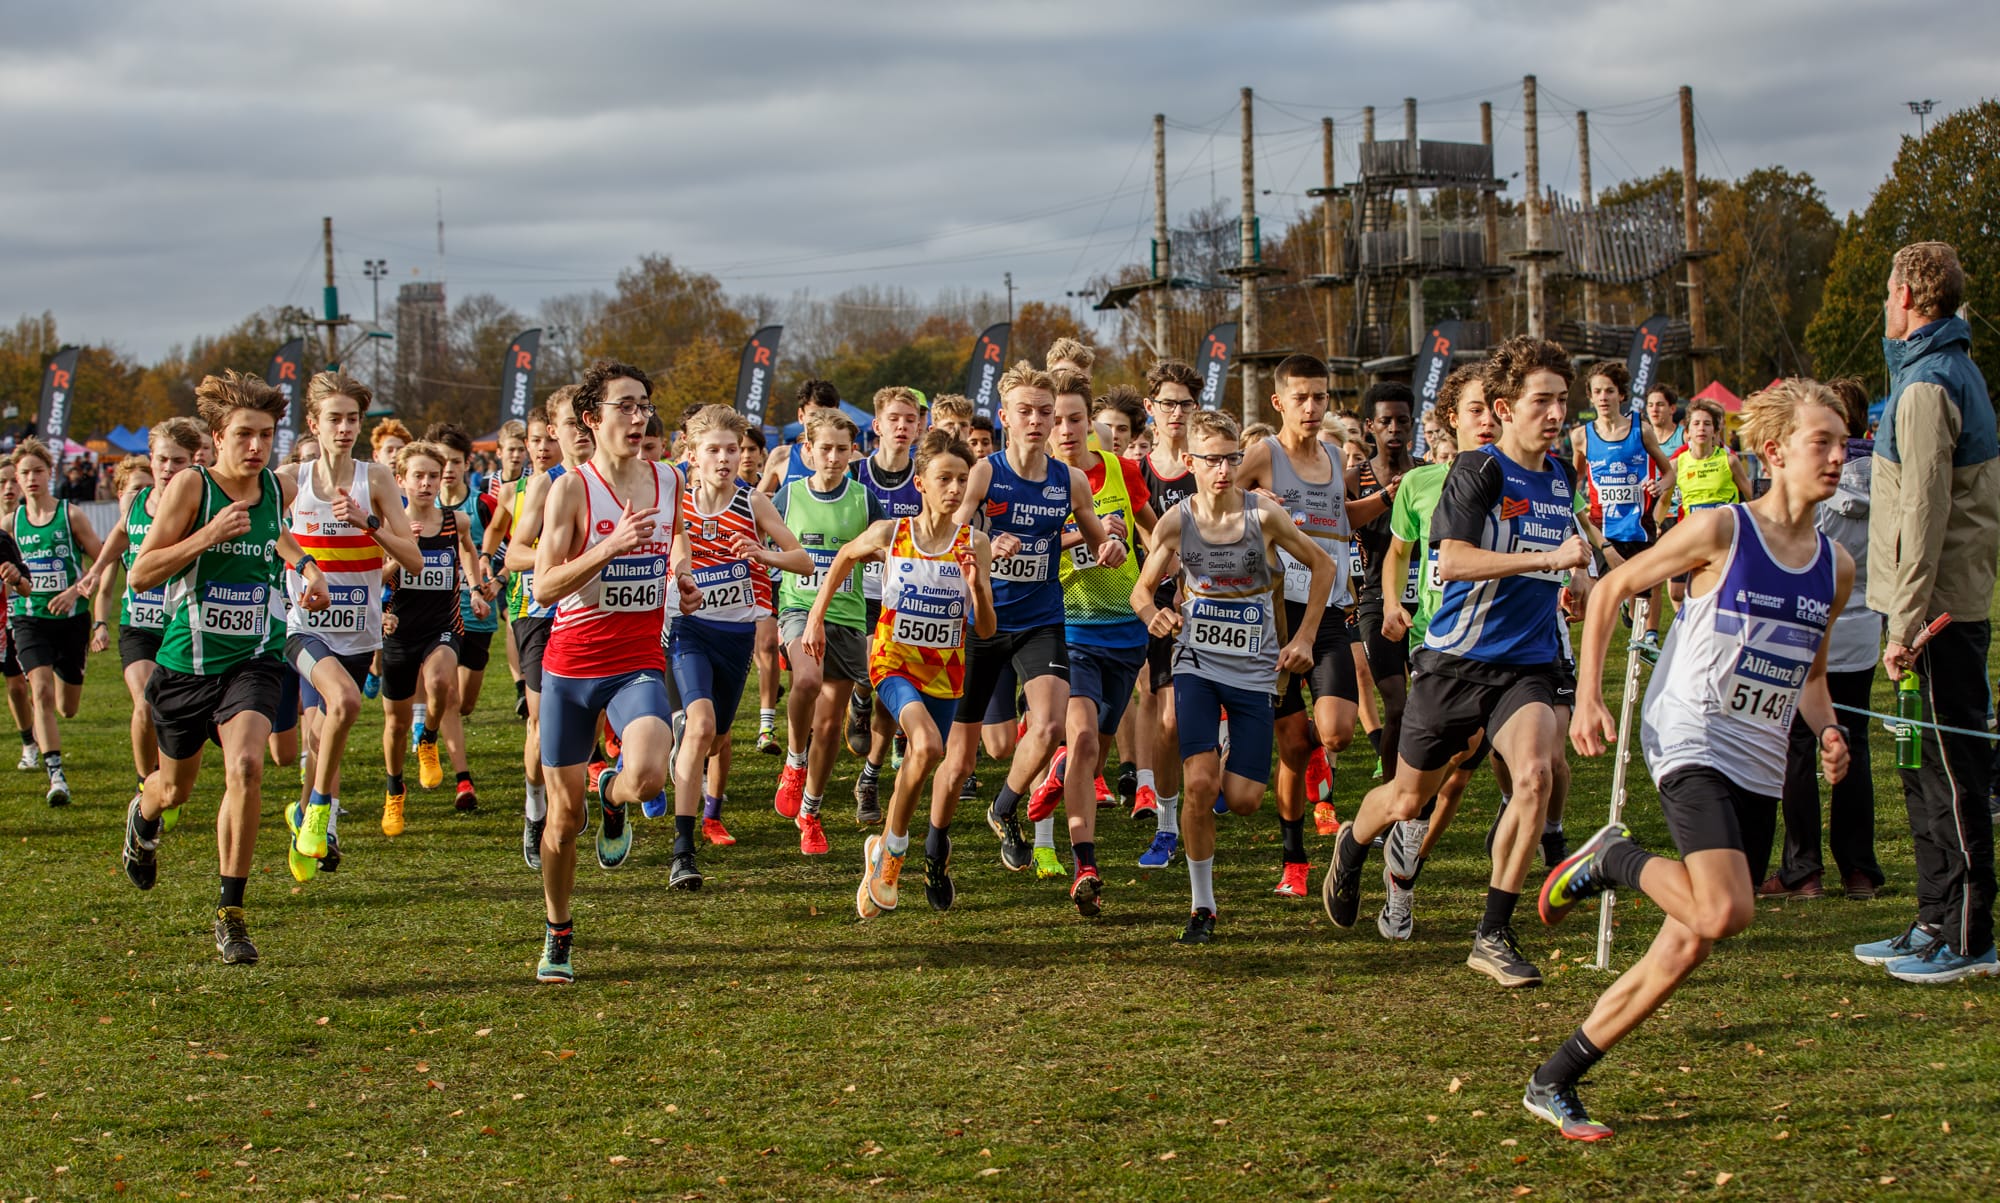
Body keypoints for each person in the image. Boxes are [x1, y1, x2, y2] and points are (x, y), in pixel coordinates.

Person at [1532, 379, 1854, 1139]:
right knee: (1725, 907)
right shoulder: (1720, 531)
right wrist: (1586, 699)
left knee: (1689, 940)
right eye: (1824, 443)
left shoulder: (1834, 567)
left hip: (1760, 759)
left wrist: (1831, 730)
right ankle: (1611, 857)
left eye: (1844, 442)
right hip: (1689, 732)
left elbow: (1810, 676)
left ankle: (1555, 1077)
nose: (1840, 456)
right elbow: (1611, 588)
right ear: (1774, 453)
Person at [1323, 337, 1591, 988]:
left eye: (1562, 400)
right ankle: (1354, 841)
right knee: (1408, 797)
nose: (1556, 413)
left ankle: (1493, 931)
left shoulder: (1558, 475)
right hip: (1452, 663)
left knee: (1533, 776)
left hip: (1524, 666)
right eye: (1542, 401)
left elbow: (1567, 544)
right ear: (1506, 406)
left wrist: (1580, 577)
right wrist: (1546, 562)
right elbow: (1452, 561)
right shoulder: (1478, 473)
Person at [120, 370, 334, 964]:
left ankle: (231, 914)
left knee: (245, 765)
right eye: (244, 434)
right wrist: (205, 536)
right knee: (173, 790)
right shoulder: (192, 489)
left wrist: (307, 565)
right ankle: (143, 814)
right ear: (217, 436)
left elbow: (275, 538)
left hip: (254, 660)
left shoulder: (272, 487)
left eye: (265, 434)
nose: (256, 446)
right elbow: (141, 572)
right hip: (185, 666)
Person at [1130, 409, 1334, 943]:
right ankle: (1203, 906)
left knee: (1242, 799)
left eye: (1230, 458)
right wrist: (1155, 616)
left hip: (1255, 672)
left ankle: (1222, 751)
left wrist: (1305, 638)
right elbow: (1141, 590)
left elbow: (1324, 566)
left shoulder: (1263, 516)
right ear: (1191, 462)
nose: (1222, 469)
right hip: (1196, 663)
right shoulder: (1177, 521)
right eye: (1211, 460)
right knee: (1199, 785)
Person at [1856, 240, 2000, 983]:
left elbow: (1926, 511)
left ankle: (1972, 935)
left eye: (1888, 291)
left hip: (1937, 613)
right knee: (1921, 772)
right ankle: (1933, 914)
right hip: (1921, 608)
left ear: (1910, 297)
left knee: (1955, 772)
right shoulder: (1928, 371)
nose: (1885, 303)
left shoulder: (1927, 385)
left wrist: (1906, 621)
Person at [531, 361, 699, 984]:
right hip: (571, 669)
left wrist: (679, 572)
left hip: (636, 662)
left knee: (651, 776)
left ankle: (615, 792)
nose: (638, 417)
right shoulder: (571, 489)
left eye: (644, 406)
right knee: (561, 822)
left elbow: (674, 536)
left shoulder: (668, 480)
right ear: (591, 420)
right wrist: (606, 548)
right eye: (624, 406)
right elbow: (544, 586)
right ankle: (558, 929)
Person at [940, 362, 1121, 914]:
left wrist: (1109, 548)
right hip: (985, 620)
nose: (1039, 421)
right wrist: (986, 545)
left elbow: (1094, 533)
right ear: (1005, 418)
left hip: (1043, 618)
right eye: (1027, 411)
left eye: (1047, 412)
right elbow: (952, 529)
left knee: (1047, 727)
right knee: (990, 747)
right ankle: (933, 841)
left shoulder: (1071, 480)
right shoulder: (984, 473)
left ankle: (1004, 807)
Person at [807, 429, 996, 917]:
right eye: (944, 479)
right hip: (892, 663)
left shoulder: (974, 543)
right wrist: (815, 618)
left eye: (962, 480)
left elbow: (988, 626)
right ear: (921, 483)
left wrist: (976, 587)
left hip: (946, 673)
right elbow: (843, 557)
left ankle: (887, 849)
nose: (955, 489)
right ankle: (892, 854)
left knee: (936, 763)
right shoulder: (892, 533)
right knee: (928, 746)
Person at [1240, 355, 1381, 895]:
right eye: (1300, 397)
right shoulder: (1262, 454)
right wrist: (1251, 500)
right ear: (1278, 402)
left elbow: (1343, 517)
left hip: (1329, 612)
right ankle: (1294, 863)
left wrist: (1387, 497)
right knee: (1293, 748)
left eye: (1319, 396)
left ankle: (1321, 757)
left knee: (1337, 734)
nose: (1311, 406)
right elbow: (1218, 501)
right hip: (1276, 617)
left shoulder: (1332, 454)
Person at [271, 374, 420, 880]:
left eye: (352, 419)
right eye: (334, 418)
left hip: (360, 632)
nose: (344, 428)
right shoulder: (291, 478)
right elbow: (272, 532)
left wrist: (367, 523)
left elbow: (414, 560)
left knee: (324, 733)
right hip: (305, 627)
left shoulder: (375, 479)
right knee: (345, 706)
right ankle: (321, 813)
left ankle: (305, 819)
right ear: (314, 423)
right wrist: (306, 568)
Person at [1022, 370, 1156, 889]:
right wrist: (1085, 535)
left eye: (1077, 419)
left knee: (1093, 751)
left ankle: (1058, 776)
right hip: (1066, 627)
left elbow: (1157, 535)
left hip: (1124, 630)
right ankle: (1085, 865)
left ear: (1092, 423)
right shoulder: (1038, 484)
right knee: (1077, 739)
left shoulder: (1123, 472)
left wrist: (1169, 578)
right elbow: (1026, 553)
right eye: (1056, 421)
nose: (1067, 430)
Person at [670, 405, 812, 877]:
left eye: (732, 449)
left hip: (736, 635)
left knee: (719, 738)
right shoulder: (677, 504)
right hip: (689, 630)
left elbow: (803, 560)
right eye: (713, 450)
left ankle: (709, 810)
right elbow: (670, 552)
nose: (725, 458)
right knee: (702, 725)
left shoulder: (753, 503)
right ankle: (683, 849)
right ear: (692, 455)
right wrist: (681, 572)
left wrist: (760, 552)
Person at [1765, 378, 1886, 901]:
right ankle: (1858, 869)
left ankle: (1804, 869)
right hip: (1862, 625)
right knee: (1849, 741)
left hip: (1812, 623)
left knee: (1798, 747)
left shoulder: (1817, 481)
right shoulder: (1886, 477)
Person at [772, 410, 884, 855]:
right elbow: (770, 549)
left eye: (842, 449)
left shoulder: (862, 499)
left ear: (853, 452)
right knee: (805, 679)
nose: (834, 457)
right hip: (799, 608)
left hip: (849, 618)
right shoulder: (788, 496)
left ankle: (810, 813)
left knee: (829, 723)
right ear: (807, 451)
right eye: (825, 448)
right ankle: (794, 762)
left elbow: (881, 548)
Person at [93, 420, 206, 812]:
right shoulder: (138, 506)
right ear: (151, 459)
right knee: (143, 701)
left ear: (192, 462)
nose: (168, 468)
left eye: (177, 460)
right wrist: (91, 581)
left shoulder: (198, 506)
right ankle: (146, 787)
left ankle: (164, 778)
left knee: (179, 715)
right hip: (139, 624)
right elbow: (114, 545)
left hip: (182, 625)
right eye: (161, 459)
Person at [378, 441, 487, 834]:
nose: (426, 484)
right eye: (418, 476)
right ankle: (394, 791)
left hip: (443, 624)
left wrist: (475, 588)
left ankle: (428, 739)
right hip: (400, 630)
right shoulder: (391, 525)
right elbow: (377, 578)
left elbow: (470, 551)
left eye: (432, 476)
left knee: (442, 681)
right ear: (401, 480)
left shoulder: (454, 521)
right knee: (394, 723)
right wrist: (405, 551)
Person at [505, 390, 593, 870]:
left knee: (594, 717)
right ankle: (537, 806)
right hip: (540, 614)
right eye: (569, 425)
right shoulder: (545, 485)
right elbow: (514, 553)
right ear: (554, 432)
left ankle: (579, 794)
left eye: (584, 423)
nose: (579, 433)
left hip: (594, 614)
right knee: (539, 719)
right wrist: (560, 562)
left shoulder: (613, 479)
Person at [1131, 360, 1205, 865]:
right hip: (1153, 601)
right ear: (1149, 408)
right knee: (1167, 714)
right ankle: (1165, 823)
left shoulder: (1209, 464)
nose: (1175, 412)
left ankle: (1206, 788)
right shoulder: (1135, 472)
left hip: (1211, 603)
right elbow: (1145, 535)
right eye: (1166, 403)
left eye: (1184, 403)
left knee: (1194, 714)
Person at [9, 437, 105, 807]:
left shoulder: (71, 515)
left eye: (37, 471)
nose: (31, 478)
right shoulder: (11, 522)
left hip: (71, 620)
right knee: (42, 693)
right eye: (24, 473)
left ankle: (54, 759)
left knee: (68, 706)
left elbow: (102, 561)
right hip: (29, 619)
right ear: (16, 479)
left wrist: (77, 592)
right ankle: (56, 775)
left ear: (50, 473)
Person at [849, 387, 928, 822]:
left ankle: (870, 776)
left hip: (907, 598)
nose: (902, 426)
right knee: (868, 673)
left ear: (920, 427)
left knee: (888, 694)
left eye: (910, 419)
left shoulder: (925, 478)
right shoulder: (856, 474)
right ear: (877, 426)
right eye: (894, 419)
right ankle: (858, 695)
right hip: (861, 592)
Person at [1566, 361, 1674, 654]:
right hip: (1603, 527)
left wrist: (1660, 486)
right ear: (1590, 396)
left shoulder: (1642, 430)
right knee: (1603, 593)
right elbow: (1574, 481)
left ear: (1621, 395)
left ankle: (1646, 639)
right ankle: (1594, 652)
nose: (1603, 397)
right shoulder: (1581, 436)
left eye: (1609, 391)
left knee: (1645, 588)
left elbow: (1669, 473)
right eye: (1597, 392)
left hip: (1638, 524)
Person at [429, 422, 505, 812]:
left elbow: (503, 547)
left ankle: (430, 729)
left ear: (466, 463)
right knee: (450, 697)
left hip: (477, 614)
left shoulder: (481, 505)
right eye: (440, 461)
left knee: (467, 701)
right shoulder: (419, 506)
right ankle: (463, 780)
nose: (446, 469)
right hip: (438, 613)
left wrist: (494, 580)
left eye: (454, 462)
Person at [1350, 383, 1416, 789]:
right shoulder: (1355, 478)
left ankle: (1418, 788)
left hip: (1427, 600)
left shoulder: (1427, 473)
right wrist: (1385, 499)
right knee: (1396, 702)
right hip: (1376, 601)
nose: (1394, 428)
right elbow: (1341, 526)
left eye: (1402, 420)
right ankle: (1392, 792)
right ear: (1369, 426)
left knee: (1427, 705)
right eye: (1385, 420)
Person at [758, 378, 844, 495]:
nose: (821, 421)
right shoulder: (781, 457)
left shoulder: (853, 461)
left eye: (829, 415)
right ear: (801, 416)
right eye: (814, 415)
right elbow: (757, 505)